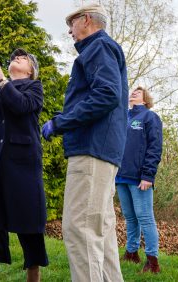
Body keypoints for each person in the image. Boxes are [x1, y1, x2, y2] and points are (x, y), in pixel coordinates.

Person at [41, 4, 128, 281]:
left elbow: (106, 95)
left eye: (71, 23)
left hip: (91, 150)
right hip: (103, 150)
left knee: (80, 228)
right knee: (100, 229)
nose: (69, 30)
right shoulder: (104, 48)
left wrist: (61, 122)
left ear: (86, 20)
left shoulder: (97, 47)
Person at [0, 28, 48, 282]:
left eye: (23, 58)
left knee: (29, 218)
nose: (17, 58)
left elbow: (21, 106)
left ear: (30, 71)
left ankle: (33, 272)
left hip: (22, 164)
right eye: (15, 57)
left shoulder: (34, 88)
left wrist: (3, 80)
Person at [116, 87, 162, 273]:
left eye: (138, 92)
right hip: (120, 176)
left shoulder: (150, 117)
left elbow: (155, 147)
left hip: (139, 177)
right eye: (132, 91)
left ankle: (152, 261)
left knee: (145, 217)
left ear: (145, 100)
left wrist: (148, 175)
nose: (133, 92)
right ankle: (131, 253)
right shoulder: (122, 117)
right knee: (130, 217)